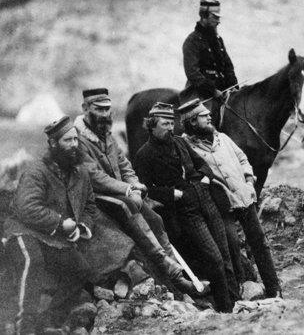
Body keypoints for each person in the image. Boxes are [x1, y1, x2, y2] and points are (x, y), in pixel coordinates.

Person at [74, 88, 204, 297]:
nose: (105, 114)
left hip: (120, 191)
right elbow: (94, 176)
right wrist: (127, 188)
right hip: (94, 195)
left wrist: (134, 183)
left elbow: (124, 164)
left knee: (156, 219)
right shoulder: (78, 139)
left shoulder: (107, 135)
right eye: (99, 109)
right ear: (85, 109)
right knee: (135, 217)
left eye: (107, 109)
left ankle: (179, 273)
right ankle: (170, 269)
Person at [133, 102, 239, 312]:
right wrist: (170, 194)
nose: (170, 128)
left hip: (206, 200)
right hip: (186, 211)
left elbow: (201, 164)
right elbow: (145, 188)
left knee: (226, 255)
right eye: (165, 124)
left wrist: (205, 179)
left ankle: (237, 302)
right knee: (214, 258)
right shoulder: (144, 154)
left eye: (172, 123)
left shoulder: (181, 143)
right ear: (152, 125)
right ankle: (225, 309)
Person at [178, 98, 282, 298]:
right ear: (192, 122)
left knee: (259, 243)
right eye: (203, 116)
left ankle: (274, 289)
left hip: (244, 197)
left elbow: (243, 159)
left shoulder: (223, 138)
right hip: (220, 206)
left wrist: (249, 182)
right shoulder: (185, 146)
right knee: (231, 247)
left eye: (208, 115)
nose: (209, 117)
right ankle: (239, 294)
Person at [3, 116, 98, 334]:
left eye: (76, 140)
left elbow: (90, 206)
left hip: (54, 239)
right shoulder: (37, 171)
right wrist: (60, 222)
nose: (74, 145)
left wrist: (81, 227)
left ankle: (48, 321)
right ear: (53, 144)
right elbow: (26, 208)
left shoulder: (80, 172)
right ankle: (23, 327)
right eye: (67, 141)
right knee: (31, 262)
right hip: (24, 231)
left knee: (80, 269)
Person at [181, 0, 239, 125]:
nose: (218, 21)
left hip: (222, 91)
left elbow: (228, 66)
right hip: (201, 93)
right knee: (204, 122)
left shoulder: (218, 40)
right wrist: (213, 91)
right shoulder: (192, 41)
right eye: (215, 17)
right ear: (204, 17)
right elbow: (193, 74)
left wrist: (234, 87)